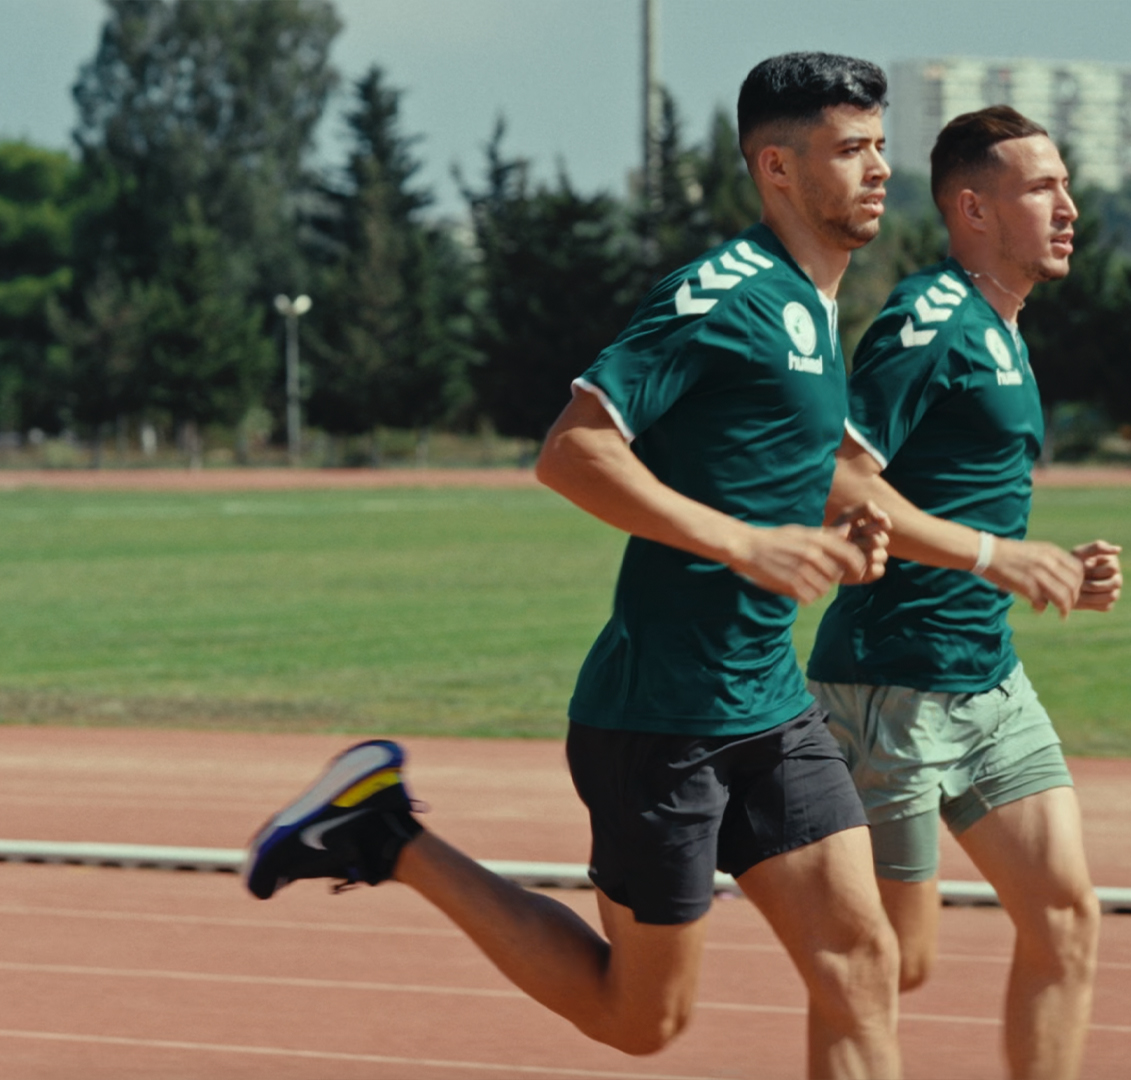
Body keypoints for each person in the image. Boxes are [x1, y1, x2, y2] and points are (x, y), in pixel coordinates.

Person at [243, 53, 905, 1079]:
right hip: (662, 722)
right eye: (851, 149)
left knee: (860, 961)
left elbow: (761, 454)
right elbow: (571, 452)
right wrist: (746, 544)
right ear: (776, 167)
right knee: (642, 1020)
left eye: (880, 145)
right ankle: (388, 836)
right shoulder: (721, 294)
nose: (880, 169)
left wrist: (837, 540)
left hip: (769, 707)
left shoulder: (811, 306)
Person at [806, 105, 1122, 1080]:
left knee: (1066, 917)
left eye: (1065, 185)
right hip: (889, 690)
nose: (1067, 207)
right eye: (1041, 188)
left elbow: (951, 497)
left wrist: (1055, 564)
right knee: (887, 968)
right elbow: (833, 476)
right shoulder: (930, 316)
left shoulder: (1002, 328)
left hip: (987, 682)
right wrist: (996, 556)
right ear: (973, 208)